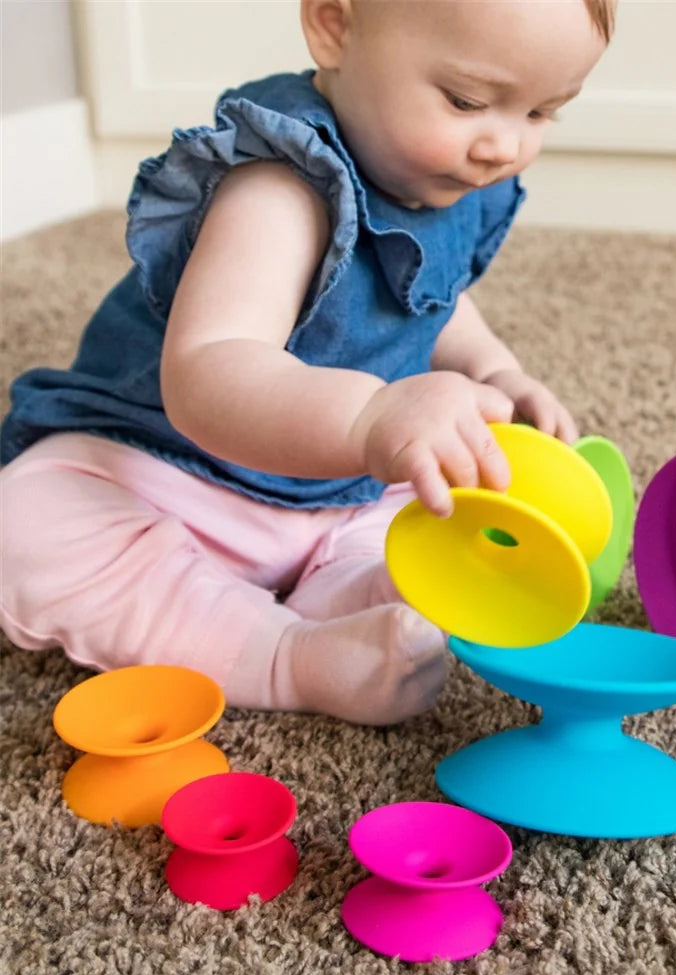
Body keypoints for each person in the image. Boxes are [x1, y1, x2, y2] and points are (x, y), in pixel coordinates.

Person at [0, 0, 615, 725]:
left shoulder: (443, 174)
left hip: (343, 491)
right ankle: (285, 656)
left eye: (542, 112)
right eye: (466, 100)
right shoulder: (279, 186)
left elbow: (430, 296)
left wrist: (494, 371)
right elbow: (209, 371)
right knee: (26, 524)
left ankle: (358, 590)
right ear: (334, 28)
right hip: (172, 472)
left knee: (441, 497)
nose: (503, 147)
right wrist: (371, 417)